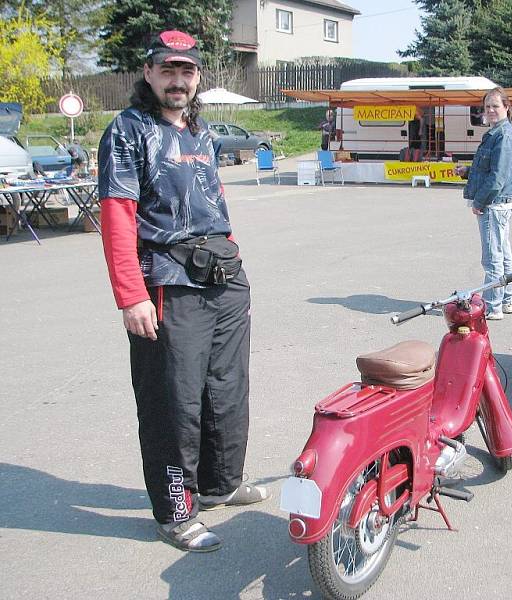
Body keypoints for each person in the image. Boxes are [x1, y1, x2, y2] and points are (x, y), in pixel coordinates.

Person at [97, 29, 266, 553]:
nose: (178, 80)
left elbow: (212, 202)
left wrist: (235, 261)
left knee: (226, 388)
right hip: (167, 283)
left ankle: (220, 483)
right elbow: (117, 218)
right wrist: (131, 295)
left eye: (186, 71)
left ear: (197, 77)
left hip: (223, 278)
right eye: (167, 70)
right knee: (174, 400)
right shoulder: (127, 131)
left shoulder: (200, 128)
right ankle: (176, 510)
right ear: (148, 73)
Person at [455, 87, 512, 321]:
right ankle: (506, 299)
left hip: (494, 204)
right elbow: (491, 170)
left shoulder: (503, 135)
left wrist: (479, 202)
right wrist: (468, 172)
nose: (491, 110)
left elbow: (497, 177)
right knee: (503, 253)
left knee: (492, 257)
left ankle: (493, 306)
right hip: (500, 203)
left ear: (506, 107)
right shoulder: (500, 133)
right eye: (487, 106)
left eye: (495, 106)